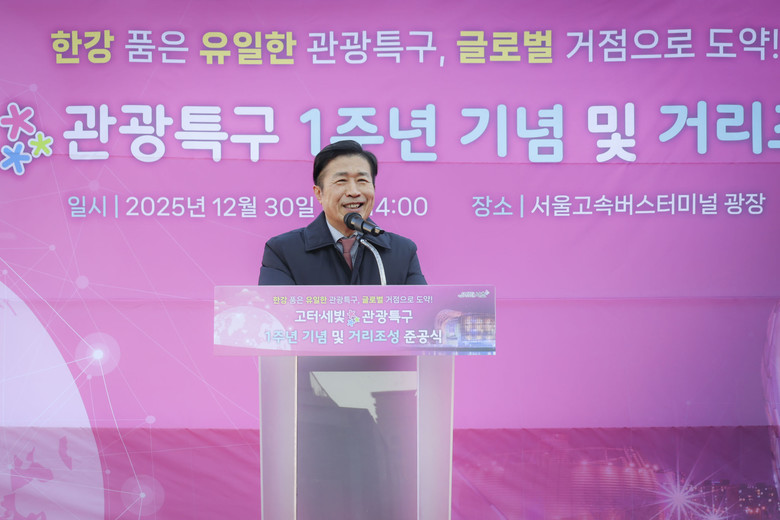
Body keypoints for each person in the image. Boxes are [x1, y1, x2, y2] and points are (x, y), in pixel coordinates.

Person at [258, 139, 426, 285]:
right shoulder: (284, 251)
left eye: (362, 180)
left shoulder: (402, 251)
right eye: (341, 181)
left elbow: (422, 308)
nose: (353, 192)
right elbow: (276, 308)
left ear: (373, 189)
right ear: (319, 193)